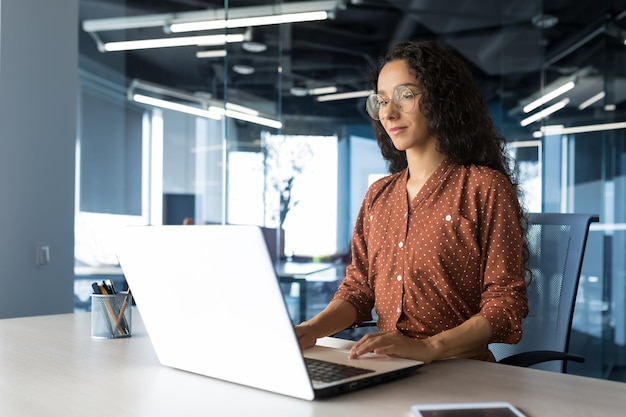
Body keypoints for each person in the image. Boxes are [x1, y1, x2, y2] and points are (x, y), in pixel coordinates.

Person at [295, 40, 529, 364]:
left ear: (439, 99)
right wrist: (311, 329)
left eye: (405, 96)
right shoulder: (378, 196)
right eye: (382, 101)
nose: (389, 113)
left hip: (462, 372)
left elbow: (505, 304)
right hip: (389, 367)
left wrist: (430, 348)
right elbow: (358, 290)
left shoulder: (484, 188)